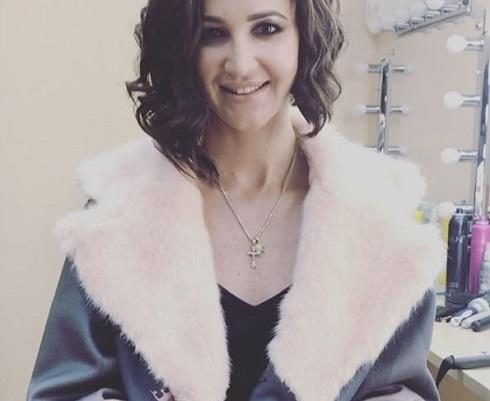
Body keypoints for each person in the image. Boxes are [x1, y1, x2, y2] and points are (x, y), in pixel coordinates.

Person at [27, 0, 446, 400]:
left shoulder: (380, 220)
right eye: (212, 34)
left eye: (267, 28)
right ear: (182, 47)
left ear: (304, 36)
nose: (241, 63)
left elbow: (399, 390)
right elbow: (64, 391)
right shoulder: (116, 214)